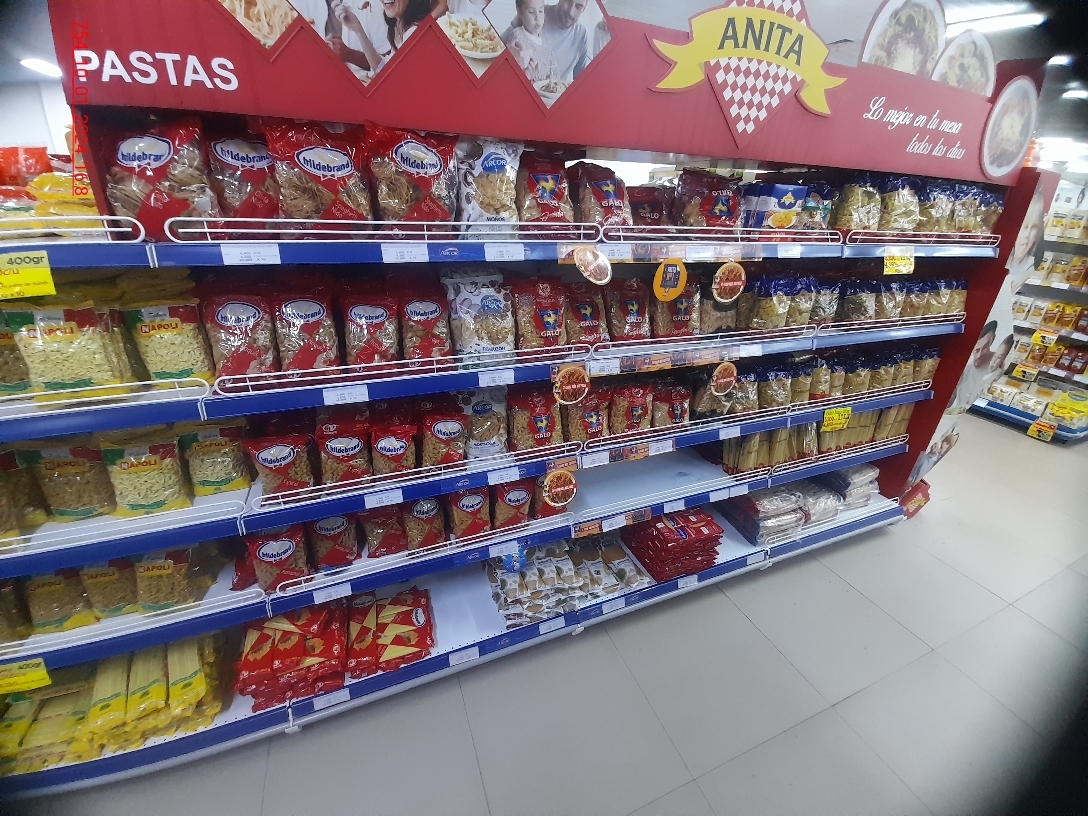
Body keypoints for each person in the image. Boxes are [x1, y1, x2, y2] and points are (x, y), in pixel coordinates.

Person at [335, 0, 432, 74]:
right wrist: (358, 30)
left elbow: (391, 80)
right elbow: (383, 69)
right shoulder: (401, 29)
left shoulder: (416, 33)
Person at [503, 0, 591, 81]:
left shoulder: (581, 35)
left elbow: (581, 82)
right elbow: (498, 51)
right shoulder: (531, 11)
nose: (570, 12)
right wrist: (509, 56)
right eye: (568, 1)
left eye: (578, 7)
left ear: (584, 9)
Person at [949, 319, 998, 413]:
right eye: (977, 350)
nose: (979, 355)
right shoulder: (965, 364)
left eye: (985, 347)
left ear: (993, 339)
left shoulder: (996, 364)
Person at [504, 0, 559, 82]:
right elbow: (512, 76)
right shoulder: (518, 36)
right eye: (531, 12)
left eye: (541, 11)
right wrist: (528, 77)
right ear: (520, 12)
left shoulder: (545, 40)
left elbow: (554, 69)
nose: (537, 18)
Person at [1007, 183, 1045, 290]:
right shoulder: (1002, 260)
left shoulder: (1031, 267)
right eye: (1024, 227)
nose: (1027, 235)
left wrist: (1027, 275)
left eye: (1033, 227)